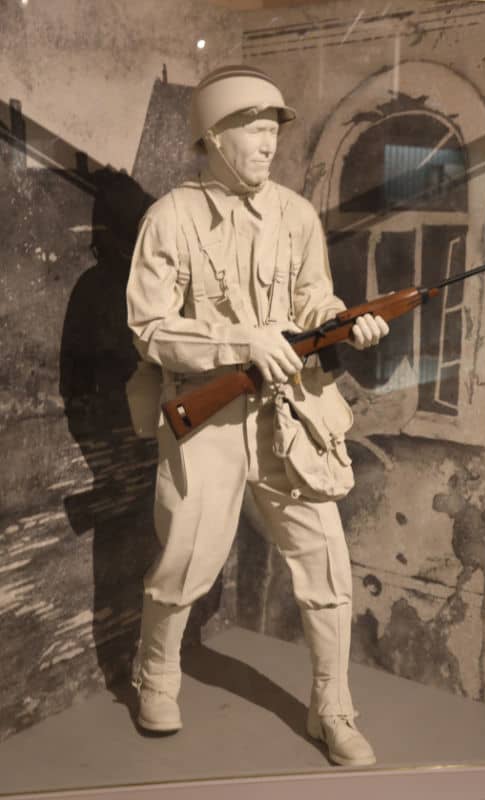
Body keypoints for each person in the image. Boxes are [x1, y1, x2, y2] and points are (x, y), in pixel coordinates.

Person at [126, 64, 389, 767]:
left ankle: (331, 707)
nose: (267, 142)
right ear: (213, 137)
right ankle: (155, 674)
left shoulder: (295, 215)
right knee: (184, 561)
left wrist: (344, 322)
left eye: (273, 128)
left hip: (291, 411)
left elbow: (310, 299)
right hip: (207, 418)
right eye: (252, 127)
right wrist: (237, 341)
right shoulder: (170, 219)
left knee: (327, 570)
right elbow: (149, 329)